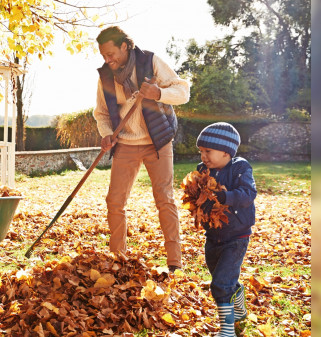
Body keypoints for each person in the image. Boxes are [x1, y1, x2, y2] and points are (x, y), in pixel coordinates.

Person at [93, 26, 189, 271]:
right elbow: (102, 113)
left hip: (157, 141)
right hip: (125, 143)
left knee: (164, 199)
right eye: (104, 55)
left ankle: (175, 263)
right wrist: (106, 134)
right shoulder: (105, 76)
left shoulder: (150, 61)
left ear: (125, 46)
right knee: (115, 201)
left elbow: (183, 92)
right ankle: (118, 260)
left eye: (111, 53)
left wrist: (158, 93)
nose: (108, 59)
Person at [196, 122, 256, 336]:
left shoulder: (240, 168)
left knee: (220, 284)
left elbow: (248, 194)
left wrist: (226, 197)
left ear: (225, 151)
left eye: (208, 151)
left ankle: (227, 331)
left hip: (236, 235)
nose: (203, 156)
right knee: (222, 279)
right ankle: (237, 297)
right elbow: (199, 194)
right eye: (201, 151)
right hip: (213, 235)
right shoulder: (203, 170)